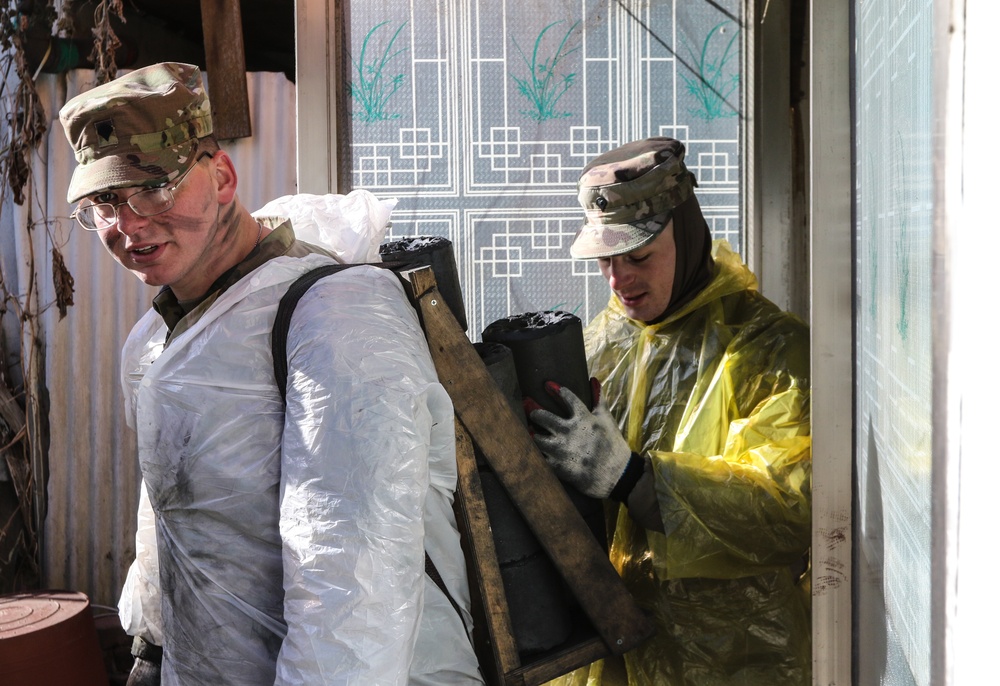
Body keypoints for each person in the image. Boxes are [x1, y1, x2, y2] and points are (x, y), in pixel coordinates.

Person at [59, 62, 482, 685]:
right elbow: (168, 511)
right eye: (103, 202)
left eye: (154, 187)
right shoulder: (154, 340)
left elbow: (350, 577)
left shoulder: (336, 315)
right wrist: (150, 647)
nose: (128, 224)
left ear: (222, 177)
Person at [525, 137, 812, 685]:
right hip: (611, 657)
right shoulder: (607, 340)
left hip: (731, 660)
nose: (618, 279)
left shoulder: (769, 351)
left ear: (687, 233)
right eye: (606, 259)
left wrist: (633, 479)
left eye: (638, 257)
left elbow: (791, 508)